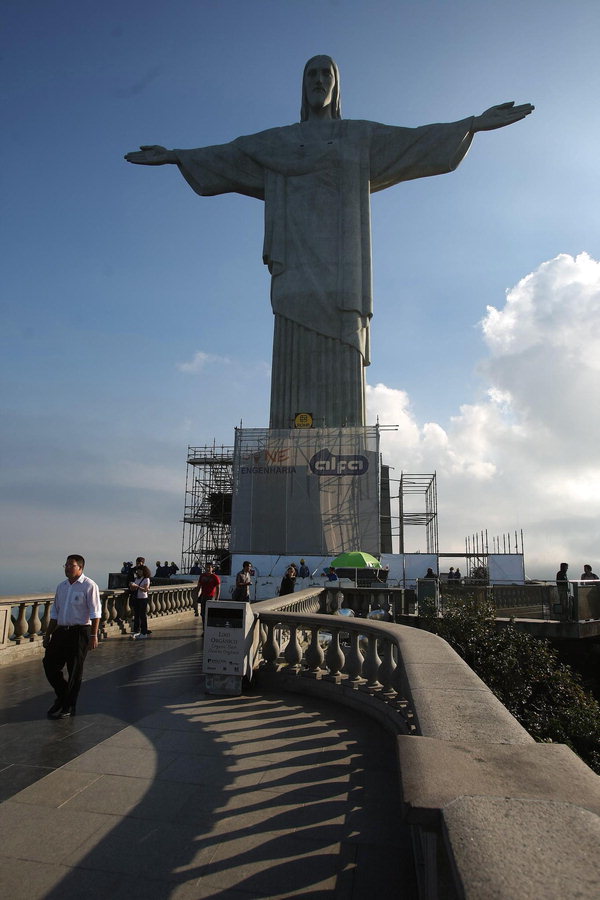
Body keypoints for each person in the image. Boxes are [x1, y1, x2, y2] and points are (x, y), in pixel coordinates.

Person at [125, 56, 533, 429]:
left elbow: (416, 140)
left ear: (337, 87)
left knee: (342, 339)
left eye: (326, 75)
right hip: (295, 264)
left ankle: (341, 444)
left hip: (343, 265)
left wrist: (472, 124)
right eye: (311, 74)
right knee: (291, 338)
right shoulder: (276, 142)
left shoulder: (358, 136)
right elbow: (230, 155)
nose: (318, 81)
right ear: (302, 86)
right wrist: (177, 156)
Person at [43, 554, 101, 718]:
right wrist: (48, 634)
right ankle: (62, 696)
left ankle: (68, 706)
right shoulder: (62, 586)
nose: (67, 568)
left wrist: (93, 635)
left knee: (74, 669)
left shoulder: (89, 586)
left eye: (71, 565)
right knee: (49, 664)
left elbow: (96, 613)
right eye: (66, 565)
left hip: (79, 632)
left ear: (80, 568)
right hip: (61, 630)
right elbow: (55, 612)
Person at [129, 564, 152, 640]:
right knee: (136, 615)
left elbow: (145, 589)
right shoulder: (137, 579)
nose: (138, 572)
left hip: (143, 599)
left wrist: (137, 587)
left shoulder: (146, 579)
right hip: (137, 598)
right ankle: (137, 630)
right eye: (137, 570)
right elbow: (133, 589)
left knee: (142, 616)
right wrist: (132, 586)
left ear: (143, 571)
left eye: (139, 570)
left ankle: (144, 632)